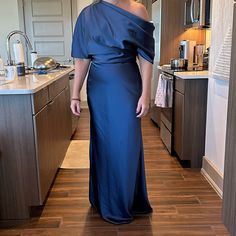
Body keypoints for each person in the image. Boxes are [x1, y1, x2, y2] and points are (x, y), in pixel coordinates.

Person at [70, 0, 155, 224]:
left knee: (127, 143)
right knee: (104, 144)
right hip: (99, 89)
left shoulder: (138, 10)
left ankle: (127, 200)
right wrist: (75, 93)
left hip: (127, 86)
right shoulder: (87, 15)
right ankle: (105, 199)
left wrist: (146, 93)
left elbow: (146, 57)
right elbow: (82, 59)